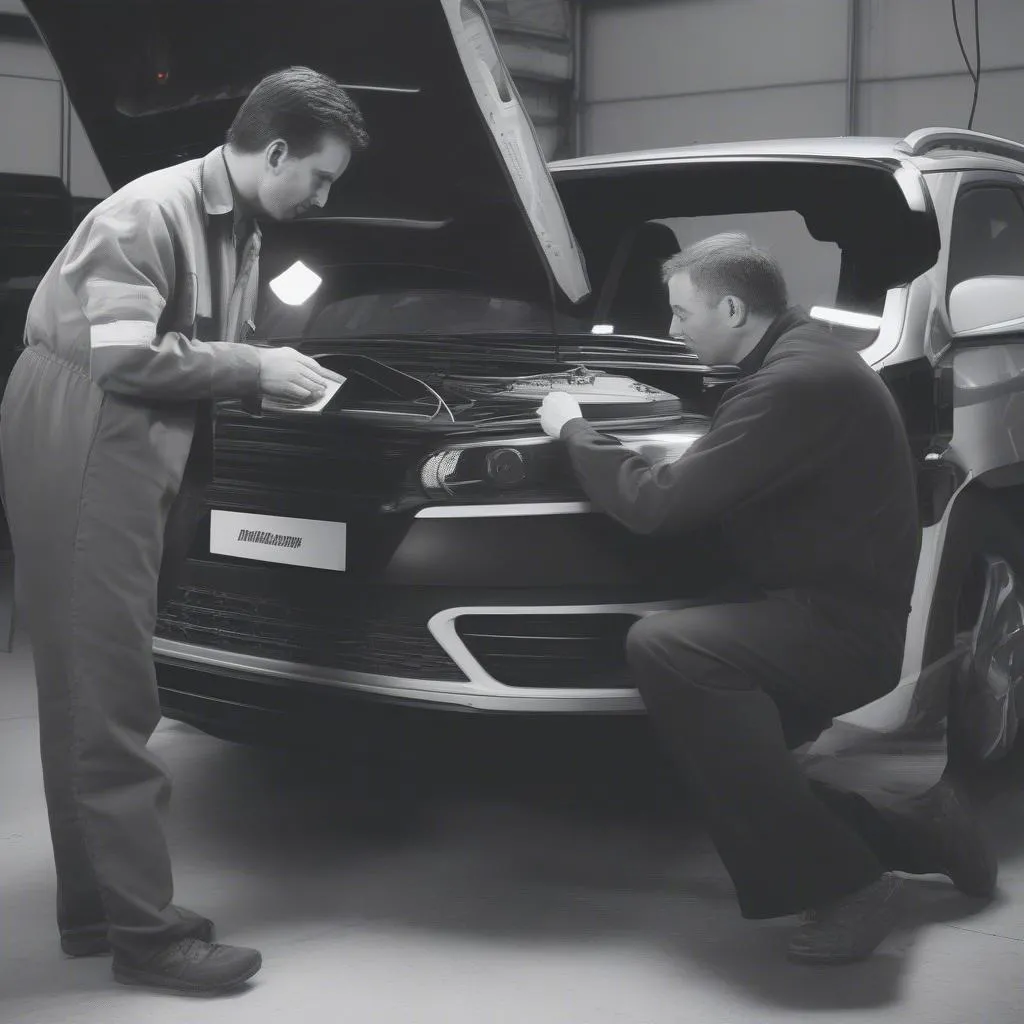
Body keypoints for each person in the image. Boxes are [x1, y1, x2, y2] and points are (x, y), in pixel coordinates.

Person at [0, 66, 368, 995]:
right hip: (90, 426)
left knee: (102, 685)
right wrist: (255, 367)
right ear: (274, 149)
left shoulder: (235, 223)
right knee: (107, 692)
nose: (321, 198)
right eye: (319, 177)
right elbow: (125, 358)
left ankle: (98, 910)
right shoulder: (147, 213)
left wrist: (265, 371)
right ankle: (146, 938)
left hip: (137, 434)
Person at [538, 232, 997, 965]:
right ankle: (920, 828)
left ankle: (851, 887)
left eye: (681, 314)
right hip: (823, 608)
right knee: (713, 751)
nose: (671, 331)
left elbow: (659, 507)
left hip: (840, 631)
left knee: (668, 649)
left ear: (731, 307)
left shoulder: (793, 384)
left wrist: (572, 428)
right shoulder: (803, 361)